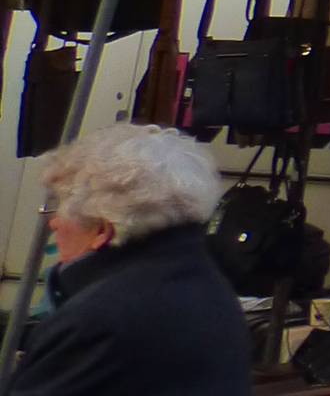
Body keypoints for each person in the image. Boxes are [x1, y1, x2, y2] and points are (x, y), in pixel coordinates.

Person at [11, 124, 250, 395]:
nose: (54, 222)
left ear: (102, 230)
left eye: (60, 206)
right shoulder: (208, 287)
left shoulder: (97, 321)